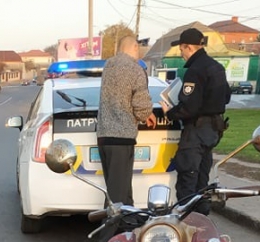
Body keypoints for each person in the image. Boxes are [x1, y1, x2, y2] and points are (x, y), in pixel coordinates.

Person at [160, 28, 231, 215]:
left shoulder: (195, 70)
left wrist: (170, 112)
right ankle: (203, 220)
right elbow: (227, 97)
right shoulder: (217, 67)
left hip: (196, 131)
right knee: (202, 178)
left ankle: (188, 222)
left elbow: (189, 107)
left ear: (188, 47)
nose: (181, 53)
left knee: (187, 178)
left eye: (181, 49)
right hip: (213, 130)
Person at [97, 35, 157, 209]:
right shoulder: (135, 69)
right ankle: (113, 234)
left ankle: (125, 227)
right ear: (135, 48)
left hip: (104, 136)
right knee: (120, 197)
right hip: (122, 137)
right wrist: (147, 114)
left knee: (115, 190)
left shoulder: (108, 66)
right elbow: (141, 104)